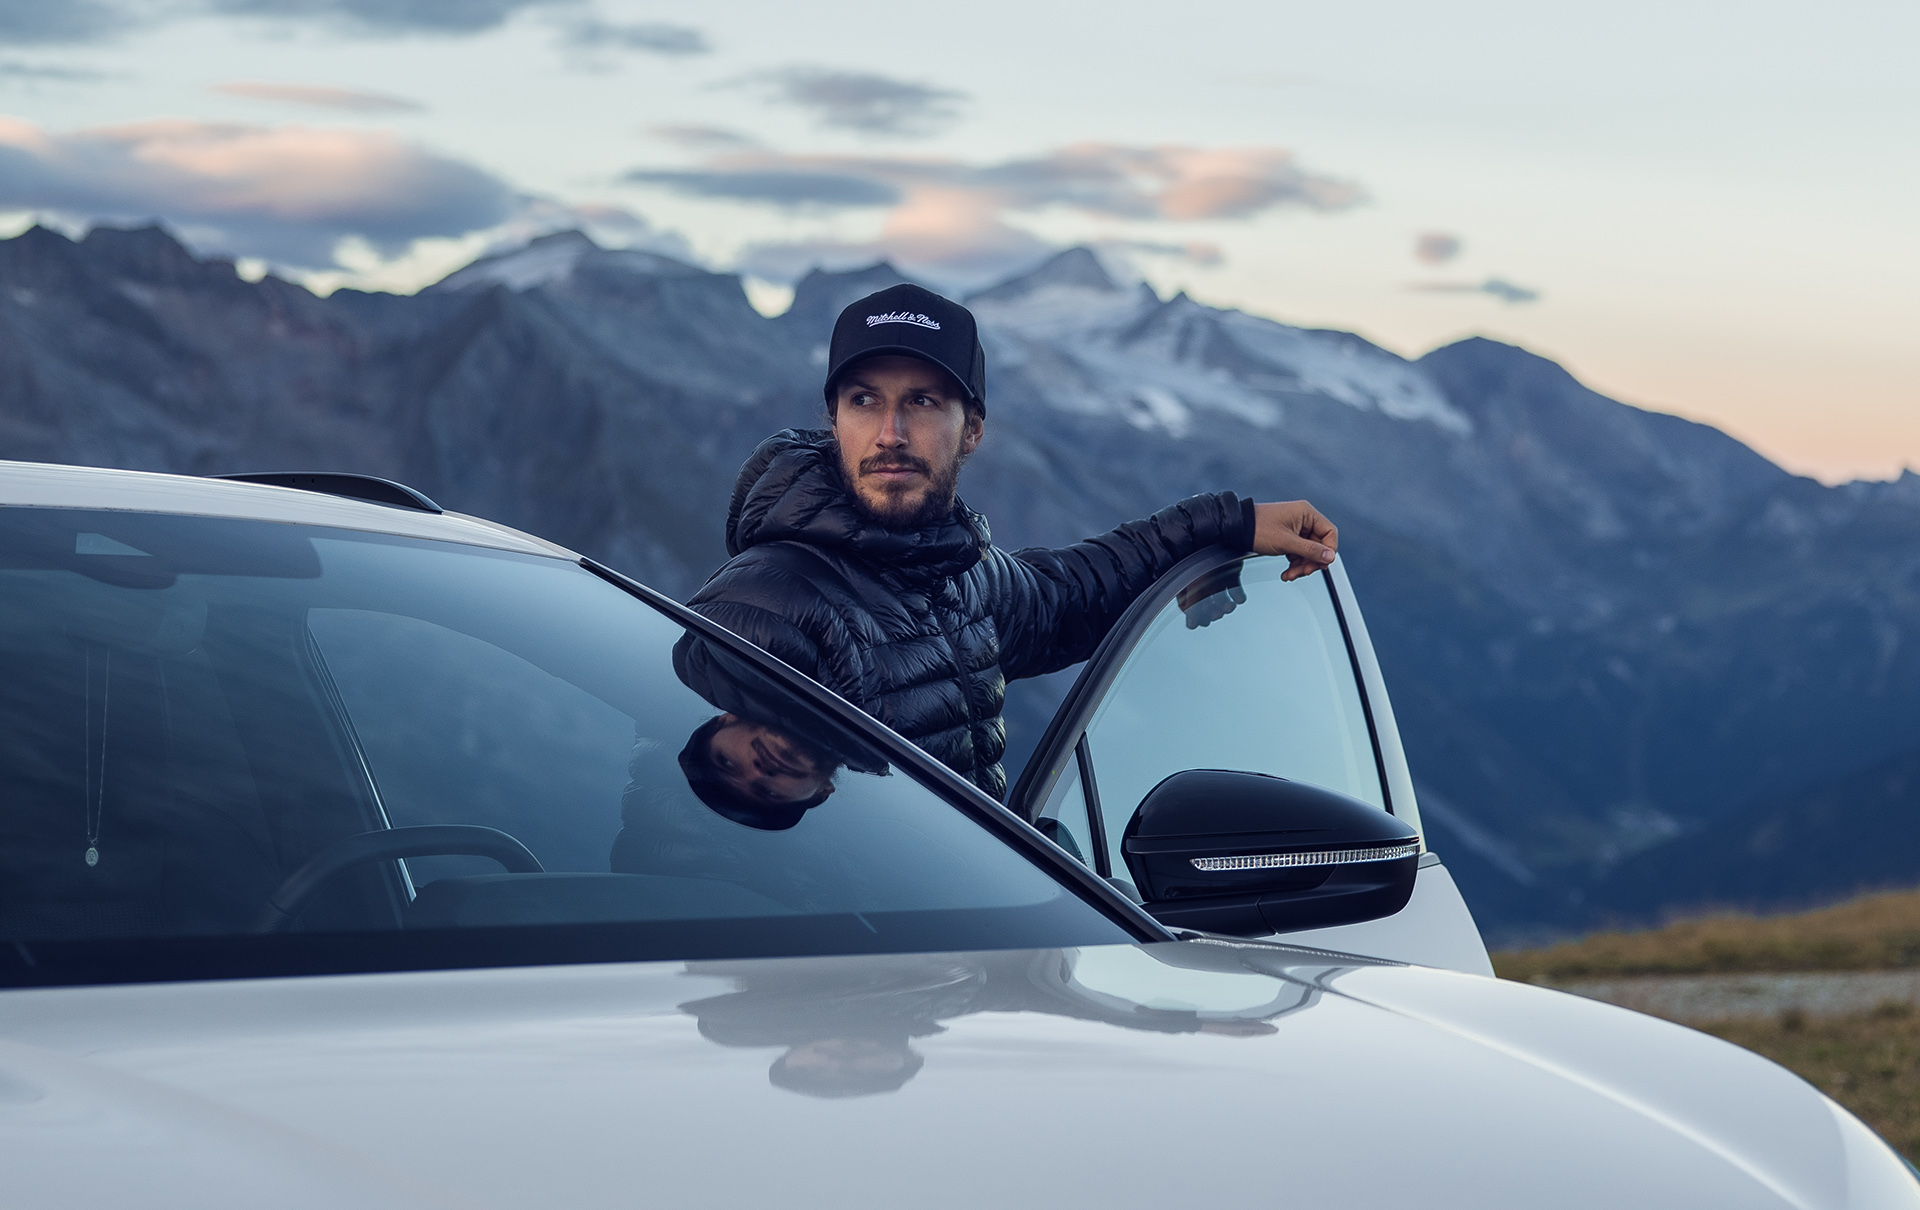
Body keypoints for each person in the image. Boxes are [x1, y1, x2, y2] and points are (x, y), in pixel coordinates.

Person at [686, 282, 1338, 800]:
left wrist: (1229, 524)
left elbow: (1069, 595)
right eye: (863, 400)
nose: (890, 431)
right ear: (835, 422)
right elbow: (678, 828)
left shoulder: (956, 576)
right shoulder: (768, 601)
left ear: (971, 431)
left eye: (922, 402)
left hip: (964, 946)